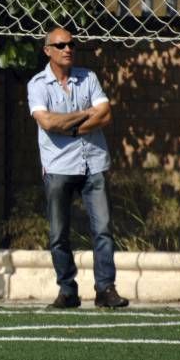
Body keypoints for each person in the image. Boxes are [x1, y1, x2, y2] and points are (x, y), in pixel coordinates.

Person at [27, 27, 129, 309]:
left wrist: (69, 125)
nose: (67, 49)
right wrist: (86, 114)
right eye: (60, 45)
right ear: (48, 50)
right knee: (59, 234)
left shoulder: (89, 78)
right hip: (58, 166)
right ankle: (68, 290)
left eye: (71, 44)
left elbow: (105, 114)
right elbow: (47, 123)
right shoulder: (37, 84)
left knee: (103, 229)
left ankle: (105, 289)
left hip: (93, 162)